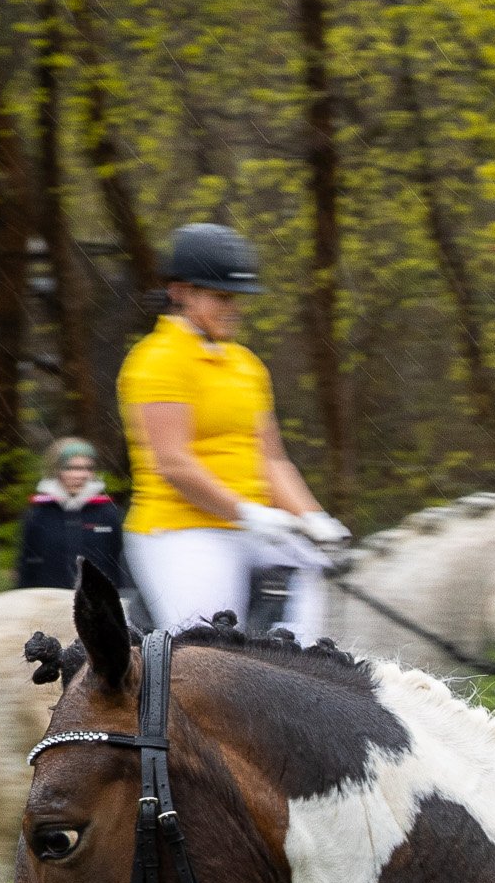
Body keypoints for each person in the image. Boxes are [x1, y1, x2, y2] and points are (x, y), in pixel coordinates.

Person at [116, 222, 346, 635]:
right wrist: (247, 512)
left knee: (324, 585)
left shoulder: (246, 366)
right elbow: (174, 464)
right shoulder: (156, 360)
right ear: (181, 292)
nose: (234, 308)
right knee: (207, 645)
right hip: (181, 530)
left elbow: (272, 458)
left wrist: (313, 518)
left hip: (253, 527)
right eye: (221, 298)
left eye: (237, 298)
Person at [14, 437, 125, 593]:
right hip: (49, 603)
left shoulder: (109, 513)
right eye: (71, 467)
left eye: (88, 468)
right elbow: (26, 567)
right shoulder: (38, 513)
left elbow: (121, 565)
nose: (81, 474)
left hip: (99, 605)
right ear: (56, 470)